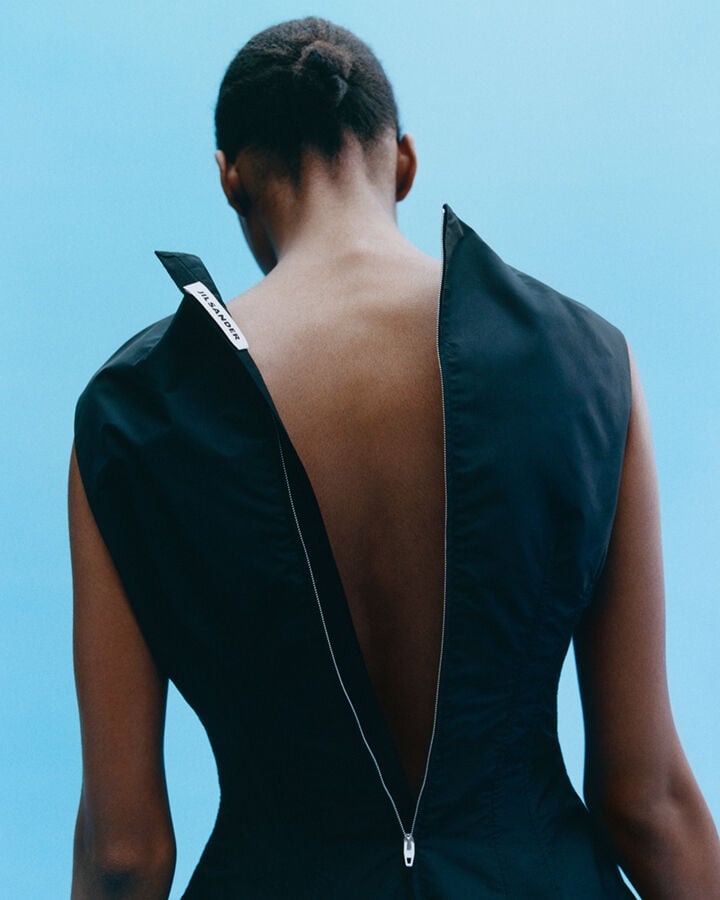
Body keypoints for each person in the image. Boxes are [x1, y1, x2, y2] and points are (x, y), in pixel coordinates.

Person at [69, 15, 720, 900]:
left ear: (231, 178)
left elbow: (125, 851)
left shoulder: (131, 413)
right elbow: (646, 801)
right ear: (404, 161)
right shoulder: (587, 361)